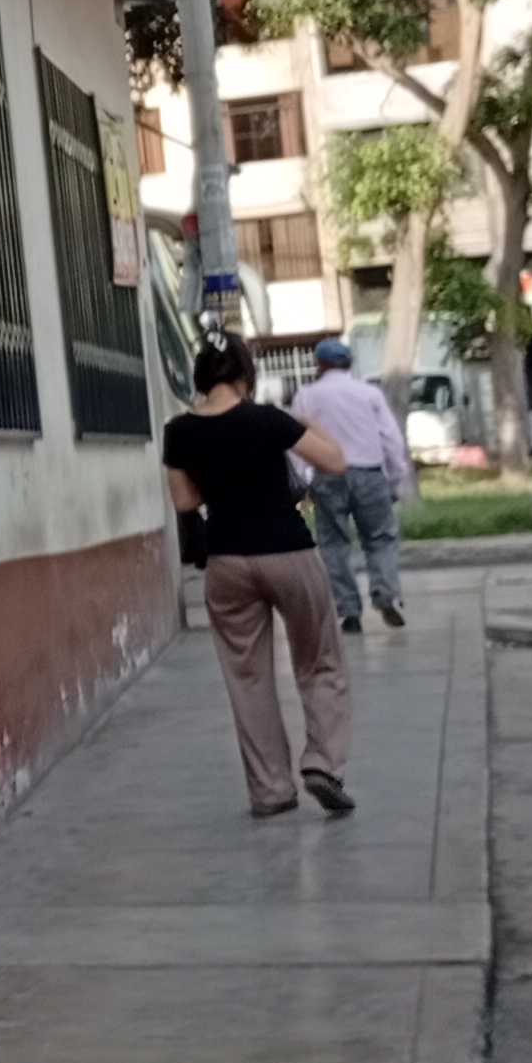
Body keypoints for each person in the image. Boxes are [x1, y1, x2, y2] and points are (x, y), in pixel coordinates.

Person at [162, 334, 357, 816]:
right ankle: (323, 764)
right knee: (319, 661)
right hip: (289, 553)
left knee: (247, 678)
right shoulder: (268, 419)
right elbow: (334, 461)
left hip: (226, 563)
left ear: (201, 376)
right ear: (244, 373)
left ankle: (271, 790)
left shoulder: (179, 431)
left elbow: (185, 501)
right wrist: (303, 421)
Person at [292, 332, 412, 634]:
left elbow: (298, 441)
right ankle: (386, 594)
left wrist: (305, 478)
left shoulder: (306, 396)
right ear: (349, 363)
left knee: (333, 543)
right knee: (380, 538)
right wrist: (395, 478)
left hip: (327, 475)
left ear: (320, 364)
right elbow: (391, 438)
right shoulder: (369, 394)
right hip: (370, 474)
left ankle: (348, 611)